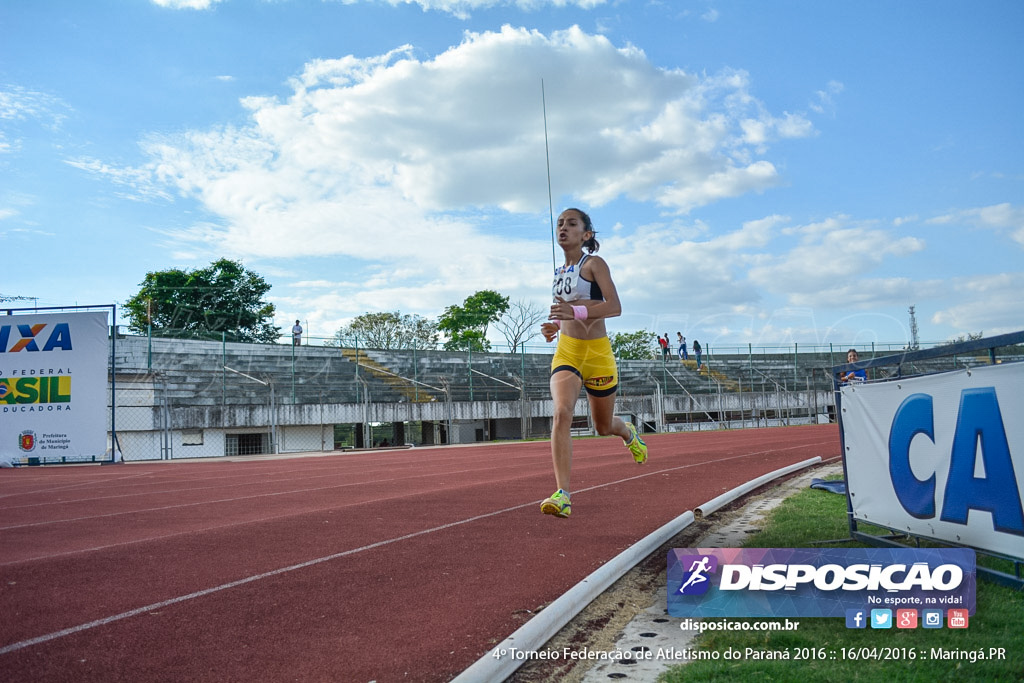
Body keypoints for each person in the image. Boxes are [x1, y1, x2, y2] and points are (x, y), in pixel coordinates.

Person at [539, 208, 648, 519]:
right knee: (562, 413)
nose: (563, 228)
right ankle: (563, 494)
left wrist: (575, 314)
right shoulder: (559, 273)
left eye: (571, 224)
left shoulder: (595, 264)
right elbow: (572, 312)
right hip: (568, 352)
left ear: (586, 235)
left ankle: (628, 434)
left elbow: (614, 307)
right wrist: (556, 326)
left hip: (598, 355)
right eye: (559, 223)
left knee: (602, 427)